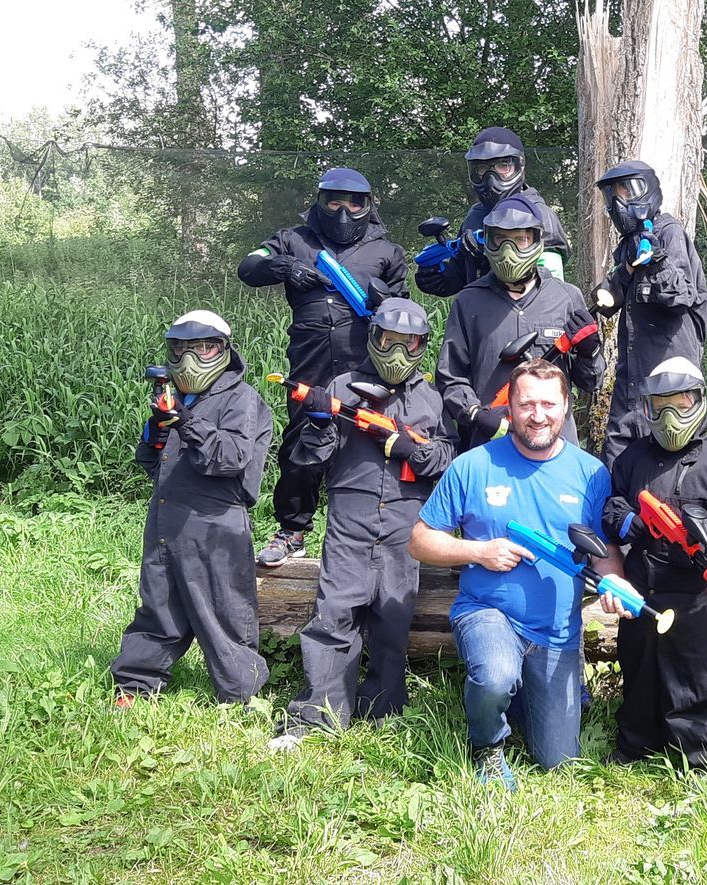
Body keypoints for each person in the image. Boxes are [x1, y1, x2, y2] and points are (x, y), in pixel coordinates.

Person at [411, 358, 636, 786]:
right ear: (509, 409)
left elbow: (604, 549)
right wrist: (478, 551)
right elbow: (419, 540)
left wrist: (615, 580)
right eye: (526, 404)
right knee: (495, 675)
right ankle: (487, 745)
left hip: (556, 635)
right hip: (488, 613)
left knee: (558, 761)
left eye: (549, 404)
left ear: (566, 407)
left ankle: (522, 697)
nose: (538, 415)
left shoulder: (590, 474)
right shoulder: (473, 465)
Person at [269, 299, 455, 750]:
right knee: (335, 611)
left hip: (407, 517)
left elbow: (448, 457)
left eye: (408, 344)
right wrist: (316, 421)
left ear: (421, 346)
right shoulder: (342, 387)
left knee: (393, 616)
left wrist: (415, 451)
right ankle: (317, 713)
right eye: (389, 341)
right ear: (373, 339)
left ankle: (382, 709)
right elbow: (311, 459)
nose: (397, 352)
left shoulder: (432, 398)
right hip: (350, 509)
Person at [239, 169, 412, 567]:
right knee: (302, 442)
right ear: (320, 201)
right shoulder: (293, 240)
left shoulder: (386, 251)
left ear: (369, 206)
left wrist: (383, 299)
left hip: (366, 363)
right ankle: (292, 530)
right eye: (335, 201)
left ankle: (373, 529)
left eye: (354, 203)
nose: (345, 210)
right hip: (310, 359)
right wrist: (285, 267)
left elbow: (404, 310)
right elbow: (248, 267)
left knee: (371, 441)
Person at [112, 310, 273, 705]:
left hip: (216, 524)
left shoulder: (242, 399)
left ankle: (240, 695)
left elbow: (232, 457)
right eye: (181, 349)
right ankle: (135, 684)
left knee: (225, 612)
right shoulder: (179, 399)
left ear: (223, 351)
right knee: (158, 606)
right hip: (168, 517)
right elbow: (154, 464)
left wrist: (186, 423)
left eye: (203, 348)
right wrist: (155, 432)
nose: (190, 358)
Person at [601, 358, 707, 768]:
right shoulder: (632, 458)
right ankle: (636, 744)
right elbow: (613, 506)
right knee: (639, 665)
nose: (669, 415)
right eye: (659, 405)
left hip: (695, 587)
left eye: (680, 403)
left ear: (698, 402)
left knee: (693, 672)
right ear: (647, 409)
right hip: (642, 580)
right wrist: (628, 522)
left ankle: (698, 754)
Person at [437, 194, 603, 452]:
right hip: (492, 445)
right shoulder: (469, 301)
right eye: (500, 239)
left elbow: (590, 382)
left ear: (537, 242)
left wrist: (589, 350)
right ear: (488, 242)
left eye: (520, 240)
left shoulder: (567, 298)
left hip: (555, 447)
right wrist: (476, 414)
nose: (508, 251)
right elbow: (450, 377)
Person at [589, 161, 707, 464]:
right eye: (613, 195)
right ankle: (618, 512)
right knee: (617, 458)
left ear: (647, 191)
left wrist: (656, 259)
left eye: (627, 191)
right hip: (632, 378)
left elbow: (678, 296)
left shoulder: (669, 234)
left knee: (666, 462)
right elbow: (609, 298)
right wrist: (624, 272)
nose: (619, 203)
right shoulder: (630, 244)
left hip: (669, 379)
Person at [415, 126, 570, 296]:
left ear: (519, 166)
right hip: (477, 316)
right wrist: (438, 278)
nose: (491, 178)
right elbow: (463, 275)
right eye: (482, 169)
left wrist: (489, 258)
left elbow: (550, 287)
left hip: (520, 318)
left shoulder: (539, 215)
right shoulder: (476, 215)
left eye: (503, 166)